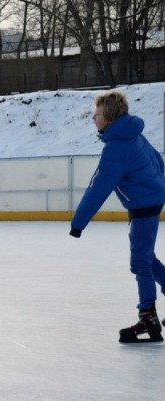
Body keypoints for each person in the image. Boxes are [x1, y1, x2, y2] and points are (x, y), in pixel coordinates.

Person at [70, 90, 165, 343]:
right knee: (146, 257)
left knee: (140, 263)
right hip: (152, 199)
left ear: (109, 118)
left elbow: (98, 187)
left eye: (98, 114)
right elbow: (158, 160)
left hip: (144, 205)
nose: (93, 118)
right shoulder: (132, 133)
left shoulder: (116, 147)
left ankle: (148, 318)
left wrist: (78, 223)